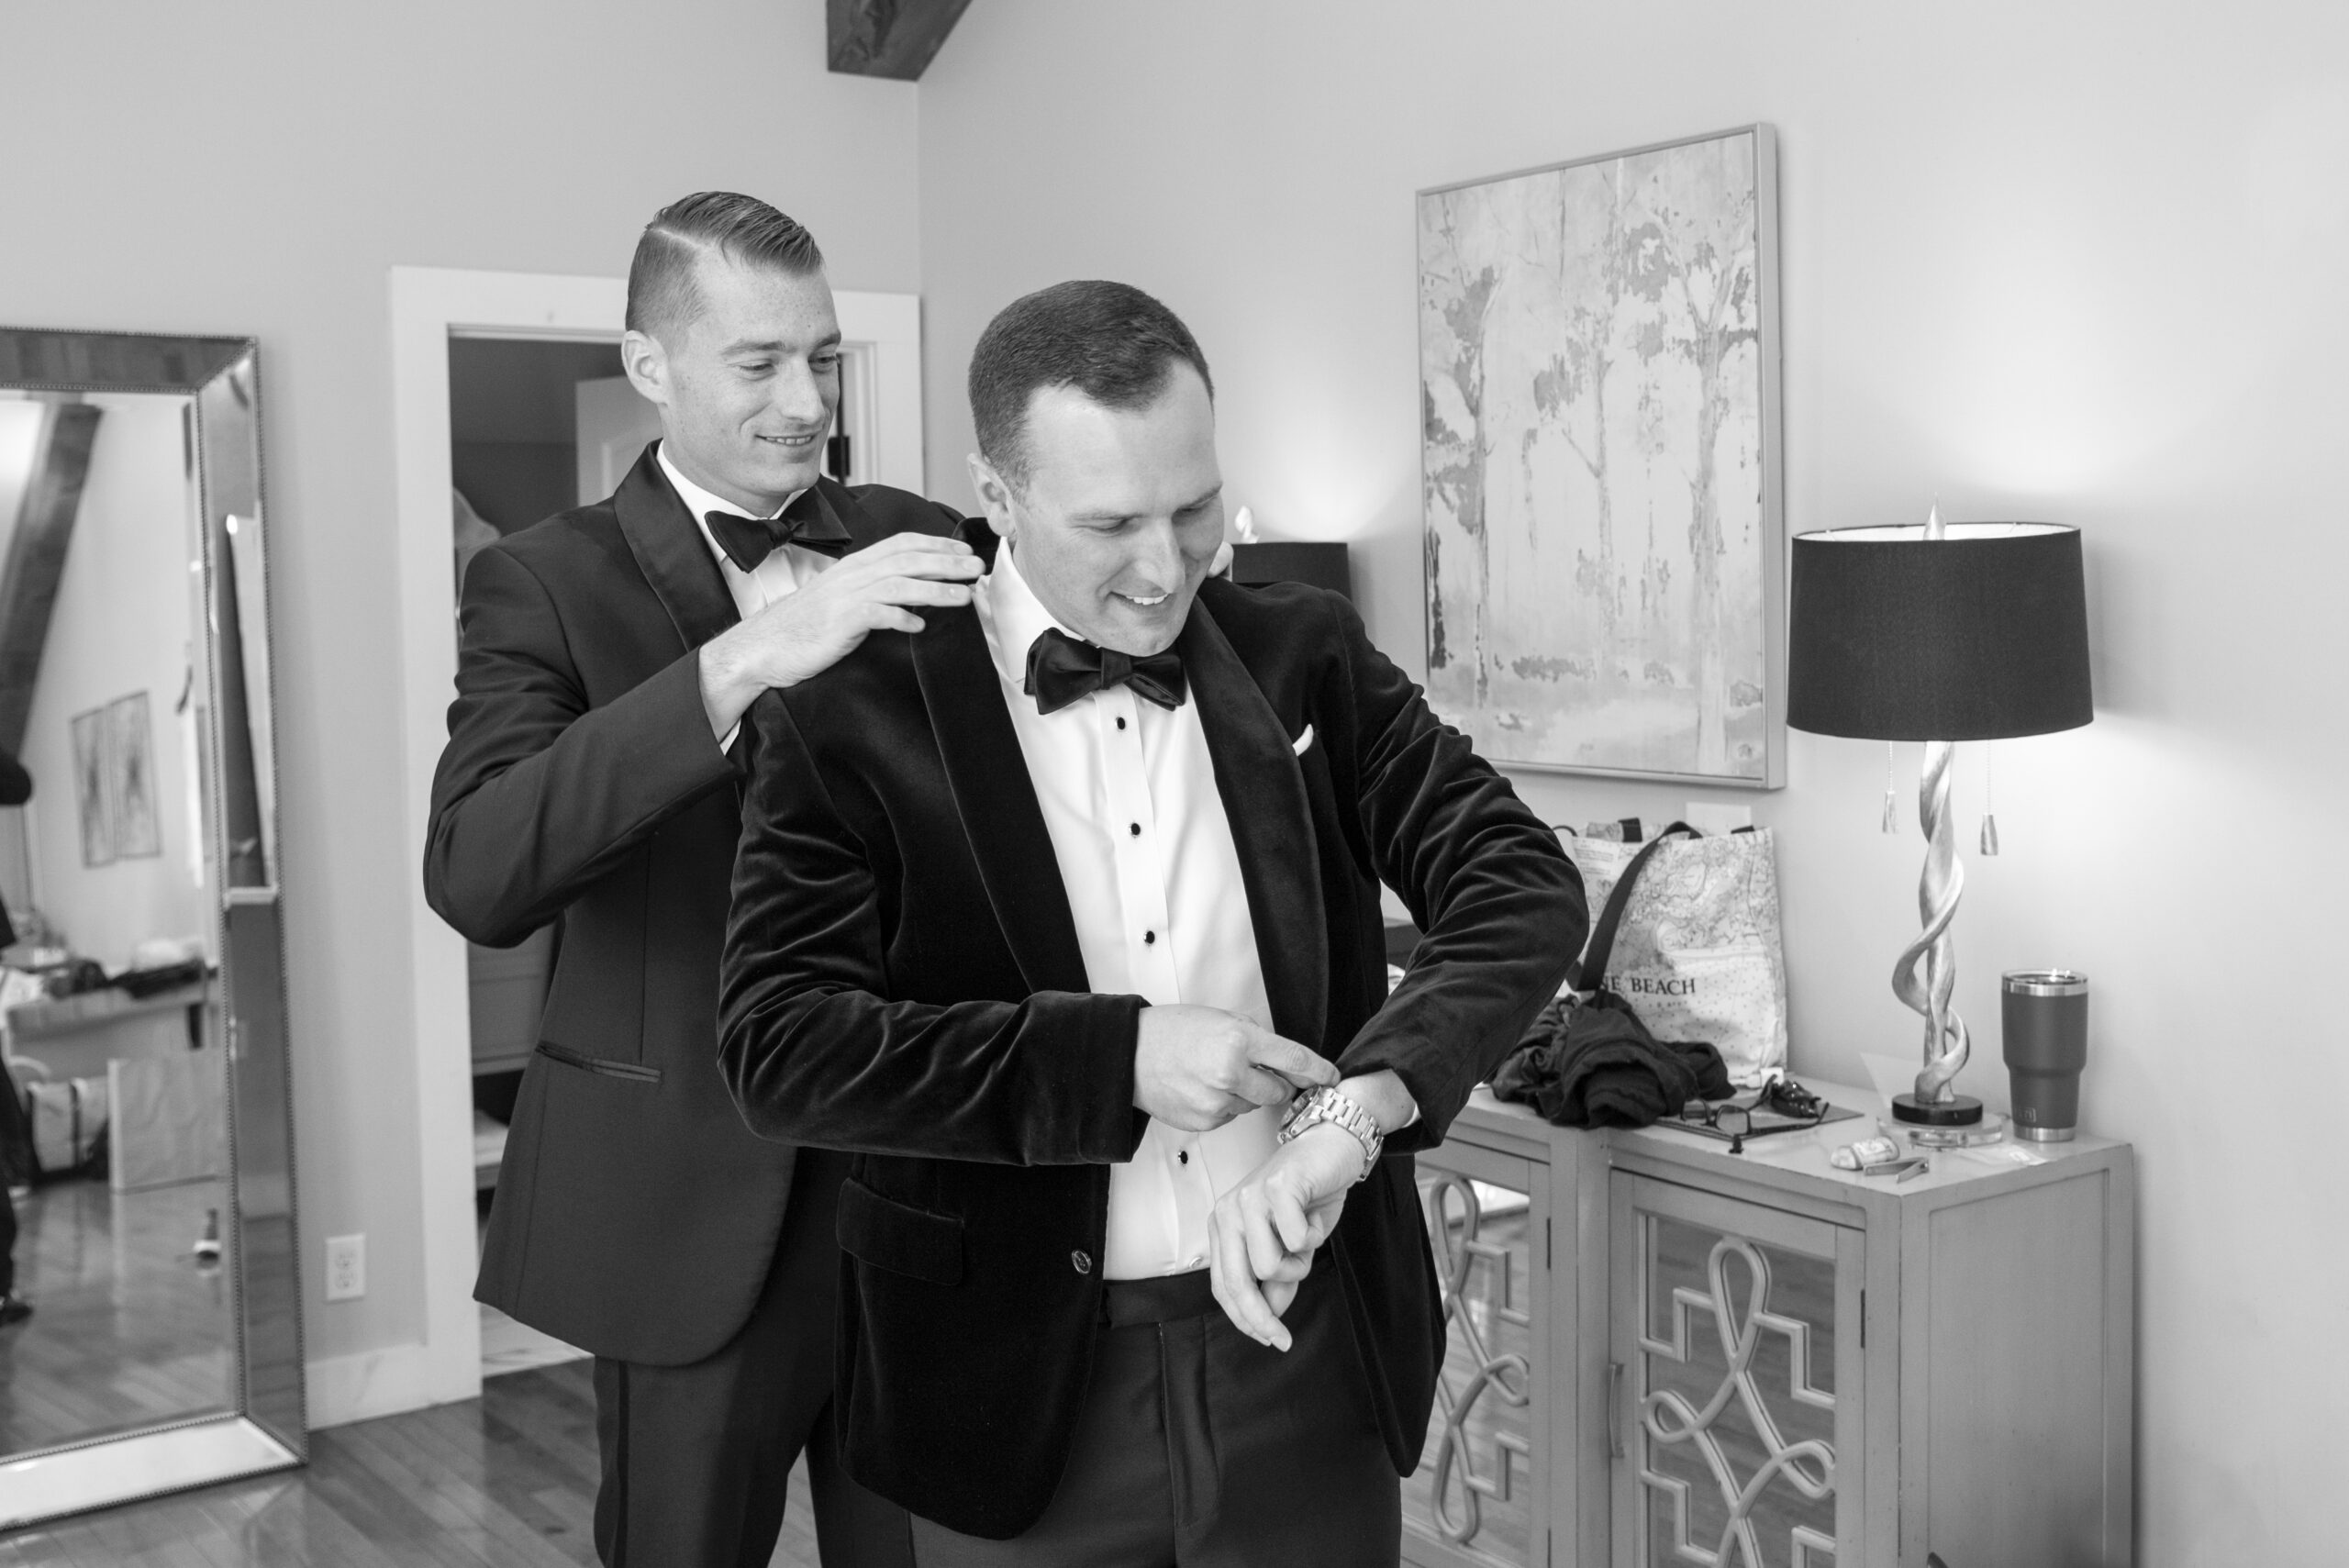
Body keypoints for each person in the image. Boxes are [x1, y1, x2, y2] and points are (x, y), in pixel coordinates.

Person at [718, 280, 1586, 1565]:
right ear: (997, 498)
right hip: (1011, 1399)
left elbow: (1523, 881)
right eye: (1112, 523)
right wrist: (1113, 1059)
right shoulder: (848, 709)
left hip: (1312, 1371)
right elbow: (781, 1044)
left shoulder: (1306, 654)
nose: (1167, 566)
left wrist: (1356, 1116)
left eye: (1194, 510)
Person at [425, 192, 981, 1568]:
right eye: (759, 364)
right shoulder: (541, 583)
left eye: (824, 359)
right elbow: (480, 868)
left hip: (920, 1189)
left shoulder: (913, 538)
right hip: (687, 1203)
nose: (807, 401)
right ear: (650, 367)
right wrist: (743, 662)